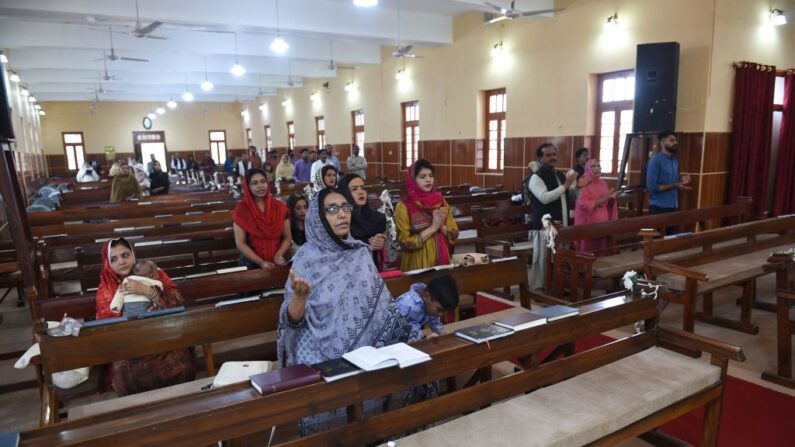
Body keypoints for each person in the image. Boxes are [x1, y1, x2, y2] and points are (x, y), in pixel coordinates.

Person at [277, 188, 416, 435]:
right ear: (318, 218)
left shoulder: (360, 253)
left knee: (405, 363)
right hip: (319, 350)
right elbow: (292, 322)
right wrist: (299, 298)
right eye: (332, 209)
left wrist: (408, 333)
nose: (342, 214)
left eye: (345, 207)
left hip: (366, 347)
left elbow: (381, 306)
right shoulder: (305, 260)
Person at [95, 237, 196, 396]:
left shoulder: (152, 271)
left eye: (125, 255)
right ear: (108, 263)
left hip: (162, 335)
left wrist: (148, 291)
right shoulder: (107, 287)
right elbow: (106, 323)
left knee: (182, 365)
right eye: (114, 259)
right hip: (129, 345)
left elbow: (177, 303)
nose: (121, 262)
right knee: (125, 377)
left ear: (133, 254)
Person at [526, 143, 577, 290]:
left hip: (561, 225)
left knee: (558, 259)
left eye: (554, 154)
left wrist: (576, 186)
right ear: (540, 158)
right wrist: (566, 186)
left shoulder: (560, 175)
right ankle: (539, 290)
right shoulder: (535, 178)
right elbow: (544, 198)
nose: (552, 158)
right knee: (543, 260)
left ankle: (556, 287)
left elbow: (566, 195)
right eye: (548, 155)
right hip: (544, 226)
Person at [394, 159, 459, 271]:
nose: (428, 180)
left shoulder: (441, 202)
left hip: (443, 261)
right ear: (413, 180)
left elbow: (454, 234)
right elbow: (406, 243)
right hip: (417, 264)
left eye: (430, 176)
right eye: (422, 177)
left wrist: (442, 227)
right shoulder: (404, 206)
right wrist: (433, 228)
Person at [232, 168, 291, 269]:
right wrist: (261, 262)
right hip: (252, 263)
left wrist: (278, 255)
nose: (260, 186)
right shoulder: (241, 210)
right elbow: (240, 243)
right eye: (254, 183)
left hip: (278, 261)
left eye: (263, 182)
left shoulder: (279, 207)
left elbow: (287, 237)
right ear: (248, 187)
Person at [338, 174, 387, 271]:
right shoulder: (341, 220)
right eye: (354, 189)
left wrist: (381, 244)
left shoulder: (377, 217)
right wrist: (369, 247)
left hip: (373, 270)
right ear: (345, 193)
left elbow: (390, 252)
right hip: (349, 271)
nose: (361, 192)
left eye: (363, 188)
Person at [646, 131, 691, 234]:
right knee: (655, 241)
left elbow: (675, 182)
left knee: (669, 240)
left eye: (676, 140)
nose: (675, 143)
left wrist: (683, 182)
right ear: (662, 142)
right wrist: (675, 185)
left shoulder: (674, 160)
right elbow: (651, 188)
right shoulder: (655, 161)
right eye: (671, 140)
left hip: (673, 206)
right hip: (658, 207)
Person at [574, 160, 618, 252]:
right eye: (594, 166)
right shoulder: (584, 182)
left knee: (601, 250)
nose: (597, 168)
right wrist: (601, 200)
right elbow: (582, 203)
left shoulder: (602, 182)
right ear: (588, 168)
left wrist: (612, 198)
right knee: (588, 251)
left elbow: (606, 201)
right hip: (589, 222)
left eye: (599, 166)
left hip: (603, 222)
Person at [395, 275, 459, 337]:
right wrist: (423, 337)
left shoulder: (429, 304)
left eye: (443, 311)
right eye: (439, 310)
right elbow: (395, 330)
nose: (441, 314)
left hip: (414, 338)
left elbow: (435, 322)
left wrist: (442, 335)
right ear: (426, 296)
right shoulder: (405, 304)